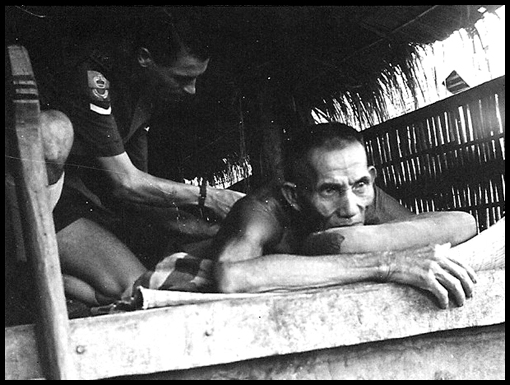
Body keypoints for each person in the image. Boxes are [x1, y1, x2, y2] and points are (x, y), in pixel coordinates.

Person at [39, 8, 244, 306]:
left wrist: (206, 229)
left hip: (72, 200)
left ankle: (43, 279)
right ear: (145, 57)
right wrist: (211, 197)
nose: (192, 90)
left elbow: (138, 196)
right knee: (135, 290)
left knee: (133, 286)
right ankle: (27, 269)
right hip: (35, 200)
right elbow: (126, 182)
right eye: (183, 78)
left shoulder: (143, 93)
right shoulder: (93, 78)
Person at [212, 122, 479, 309]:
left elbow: (461, 224)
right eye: (329, 190)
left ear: (370, 179)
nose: (350, 208)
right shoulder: (264, 210)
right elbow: (231, 276)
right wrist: (386, 264)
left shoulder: (363, 195)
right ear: (294, 196)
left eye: (361, 184)